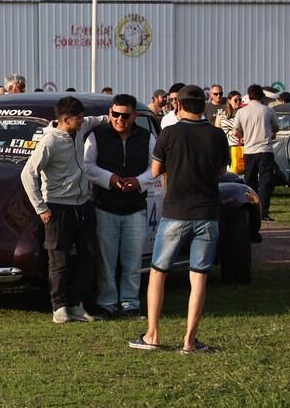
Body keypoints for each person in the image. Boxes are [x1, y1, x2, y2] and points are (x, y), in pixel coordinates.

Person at [131, 85, 229, 354]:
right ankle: (189, 340)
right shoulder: (217, 135)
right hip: (207, 212)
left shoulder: (170, 133)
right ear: (204, 106)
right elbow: (222, 171)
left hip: (175, 211)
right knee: (198, 277)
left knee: (158, 273)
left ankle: (152, 334)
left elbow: (155, 169)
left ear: (178, 105)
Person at [20, 96, 106, 323]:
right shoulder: (49, 142)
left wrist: (113, 116)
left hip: (83, 204)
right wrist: (40, 208)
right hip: (58, 207)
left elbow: (97, 120)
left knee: (88, 255)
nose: (82, 121)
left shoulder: (81, 127)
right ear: (65, 119)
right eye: (78, 118)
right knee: (59, 259)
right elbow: (28, 174)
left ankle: (76, 305)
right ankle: (59, 308)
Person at [84, 94, 157, 319]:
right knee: (106, 260)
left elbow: (155, 168)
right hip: (105, 206)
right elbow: (87, 165)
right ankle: (107, 303)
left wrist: (138, 182)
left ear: (134, 116)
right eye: (115, 114)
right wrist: (110, 178)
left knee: (133, 260)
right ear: (110, 114)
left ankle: (130, 303)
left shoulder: (147, 137)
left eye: (125, 115)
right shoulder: (97, 136)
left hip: (135, 207)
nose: (120, 119)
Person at [233, 84, 279, 221]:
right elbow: (275, 128)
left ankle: (251, 210)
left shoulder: (241, 112)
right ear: (261, 96)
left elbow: (235, 131)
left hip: (249, 150)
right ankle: (264, 211)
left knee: (250, 182)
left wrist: (244, 135)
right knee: (265, 182)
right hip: (265, 150)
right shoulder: (268, 111)